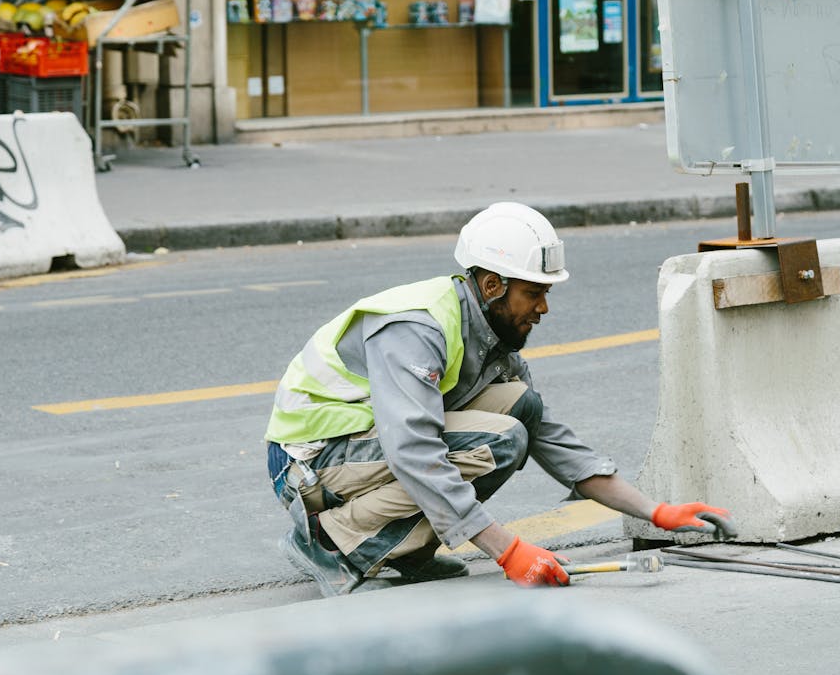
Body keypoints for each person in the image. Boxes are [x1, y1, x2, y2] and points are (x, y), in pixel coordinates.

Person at [264, 202, 735, 596]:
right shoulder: (417, 327)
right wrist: (507, 550)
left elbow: (553, 439)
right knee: (501, 440)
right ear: (492, 286)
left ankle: (404, 553)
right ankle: (330, 544)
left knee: (520, 408)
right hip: (309, 463)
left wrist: (656, 512)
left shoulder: (491, 336)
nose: (544, 308)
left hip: (359, 450)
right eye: (534, 293)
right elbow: (413, 450)